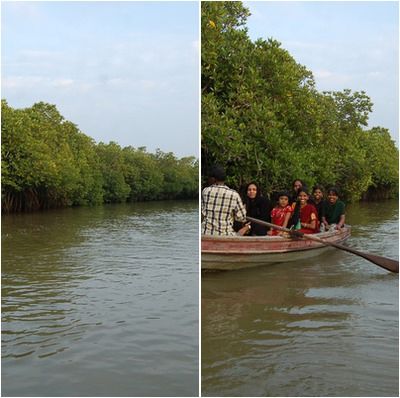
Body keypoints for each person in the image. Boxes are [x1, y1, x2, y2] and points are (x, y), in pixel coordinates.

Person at [201, 165, 247, 236]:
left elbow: (202, 212)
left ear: (213, 179)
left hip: (205, 233)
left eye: (209, 178)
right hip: (226, 234)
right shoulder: (234, 194)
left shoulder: (206, 191)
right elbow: (242, 218)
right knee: (243, 230)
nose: (208, 180)